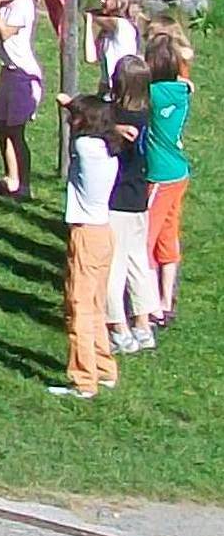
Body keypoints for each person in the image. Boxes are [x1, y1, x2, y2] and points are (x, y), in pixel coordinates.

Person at [49, 94, 121, 399]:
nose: (70, 121)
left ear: (85, 121)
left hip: (86, 235)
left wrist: (69, 104)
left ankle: (83, 380)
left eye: (75, 117)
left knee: (78, 305)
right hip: (103, 232)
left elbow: (73, 125)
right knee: (95, 305)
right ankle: (104, 367)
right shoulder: (107, 148)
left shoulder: (85, 147)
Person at [101, 56, 159, 353]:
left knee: (113, 264)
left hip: (117, 199)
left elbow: (92, 121)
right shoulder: (147, 114)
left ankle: (119, 329)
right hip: (139, 198)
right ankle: (143, 325)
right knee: (138, 262)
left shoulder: (113, 116)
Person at [144, 26, 194, 327]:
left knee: (145, 238)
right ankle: (166, 299)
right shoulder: (182, 91)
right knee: (168, 234)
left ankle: (150, 304)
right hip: (178, 172)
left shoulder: (152, 94)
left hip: (159, 174)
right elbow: (186, 80)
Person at [0, 0, 42, 201]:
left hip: (23, 74)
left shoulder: (23, 4)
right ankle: (11, 178)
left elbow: (5, 32)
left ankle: (25, 186)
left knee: (16, 131)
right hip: (7, 70)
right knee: (0, 126)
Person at [85, 0, 143, 92]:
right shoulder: (107, 33)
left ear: (120, 3)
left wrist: (91, 16)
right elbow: (90, 58)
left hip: (123, 88)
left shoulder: (123, 26)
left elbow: (102, 19)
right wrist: (88, 23)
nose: (102, 1)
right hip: (108, 89)